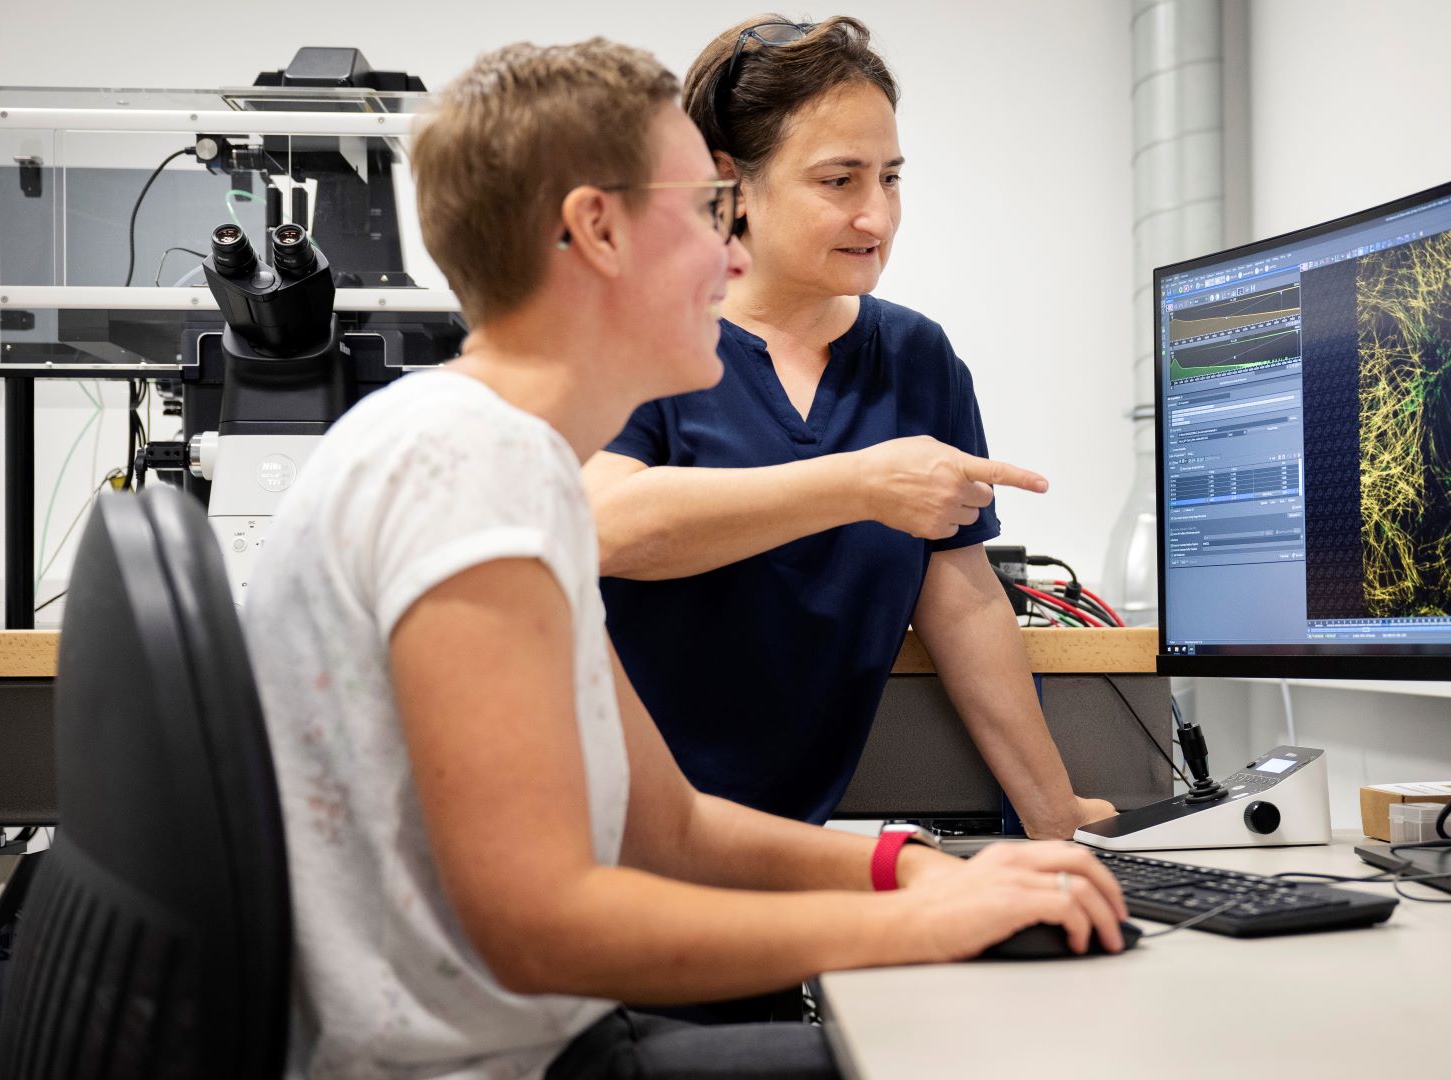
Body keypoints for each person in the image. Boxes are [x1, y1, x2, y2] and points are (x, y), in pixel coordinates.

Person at [242, 38, 1127, 1080]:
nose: (733, 257)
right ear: (599, 230)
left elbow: (670, 831)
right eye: (707, 212)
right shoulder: (465, 472)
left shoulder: (503, 460)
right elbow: (541, 931)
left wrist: (914, 869)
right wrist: (920, 925)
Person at [584, 15, 1117, 839]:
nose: (878, 217)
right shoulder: (641, 333)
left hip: (777, 842)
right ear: (728, 187)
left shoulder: (916, 357)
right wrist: (860, 484)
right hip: (614, 838)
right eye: (839, 182)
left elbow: (961, 601)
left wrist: (1057, 813)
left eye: (892, 178)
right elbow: (604, 526)